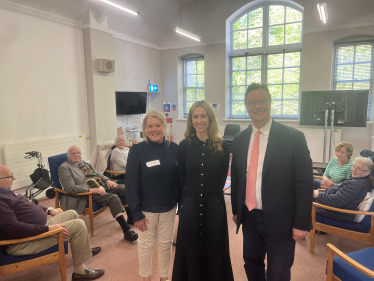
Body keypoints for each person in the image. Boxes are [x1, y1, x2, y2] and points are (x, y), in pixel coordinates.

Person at [231, 83, 314, 281]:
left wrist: (302, 222)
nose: (257, 106)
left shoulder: (292, 137)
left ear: (270, 103)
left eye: (262, 101)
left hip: (281, 220)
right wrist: (236, 210)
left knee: (278, 273)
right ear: (246, 106)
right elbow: (237, 177)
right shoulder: (240, 138)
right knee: (252, 264)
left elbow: (304, 183)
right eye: (252, 102)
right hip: (250, 216)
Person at [0, 165, 105, 281]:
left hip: (37, 229)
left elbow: (29, 207)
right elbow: (15, 228)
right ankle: (80, 272)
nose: (14, 178)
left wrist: (49, 210)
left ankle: (84, 249)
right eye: (10, 176)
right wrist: (48, 230)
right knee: (78, 225)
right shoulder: (1, 200)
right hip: (22, 243)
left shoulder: (7, 192)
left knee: (72, 213)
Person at [172, 100, 234, 281]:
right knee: (189, 249)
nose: (199, 120)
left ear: (210, 118)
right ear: (191, 120)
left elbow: (222, 179)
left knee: (214, 248)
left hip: (214, 206)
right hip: (190, 206)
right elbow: (182, 178)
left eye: (203, 116)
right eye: (195, 116)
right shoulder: (184, 146)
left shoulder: (221, 145)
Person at [125, 110, 181, 281]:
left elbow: (180, 180)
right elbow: (131, 183)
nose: (154, 129)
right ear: (145, 129)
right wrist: (136, 213)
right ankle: (146, 278)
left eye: (158, 125)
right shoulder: (137, 150)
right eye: (150, 126)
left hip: (169, 208)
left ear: (165, 127)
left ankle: (164, 278)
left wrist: (182, 205)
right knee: (145, 246)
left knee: (165, 245)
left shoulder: (175, 149)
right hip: (146, 210)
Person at [58, 146, 137, 241]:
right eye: (73, 153)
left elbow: (97, 174)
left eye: (78, 152)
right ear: (69, 156)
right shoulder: (64, 168)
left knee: (124, 189)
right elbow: (70, 188)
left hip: (100, 185)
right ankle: (127, 230)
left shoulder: (85, 163)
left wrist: (107, 180)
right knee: (113, 198)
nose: (77, 155)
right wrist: (91, 190)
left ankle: (130, 218)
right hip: (86, 193)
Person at [314, 157, 374, 222]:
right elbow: (342, 191)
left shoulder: (355, 184)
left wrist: (318, 194)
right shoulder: (361, 180)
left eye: (358, 168)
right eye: (354, 166)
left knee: (304, 202)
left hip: (337, 213)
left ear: (367, 172)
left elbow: (335, 201)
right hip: (338, 210)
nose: (354, 169)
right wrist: (326, 190)